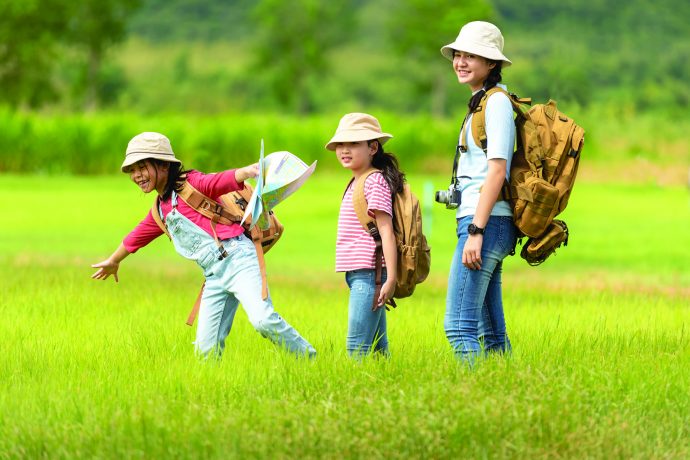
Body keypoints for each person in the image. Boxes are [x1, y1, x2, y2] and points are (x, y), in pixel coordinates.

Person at [91, 132, 316, 359]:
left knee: (263, 320)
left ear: (163, 166)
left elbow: (217, 181)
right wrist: (114, 260)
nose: (137, 175)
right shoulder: (161, 209)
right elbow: (136, 237)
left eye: (142, 167)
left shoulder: (191, 184)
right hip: (214, 276)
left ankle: (309, 358)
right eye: (132, 170)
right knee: (205, 352)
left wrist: (246, 172)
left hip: (238, 259)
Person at [440, 21, 518, 363]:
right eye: (458, 54)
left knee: (459, 327)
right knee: (491, 333)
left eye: (472, 55)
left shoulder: (497, 103)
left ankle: (472, 400)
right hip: (481, 221)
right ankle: (506, 394)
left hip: (486, 223)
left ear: (492, 64)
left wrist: (476, 231)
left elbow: (497, 170)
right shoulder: (479, 103)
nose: (461, 61)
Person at [325, 113, 405, 358]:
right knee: (379, 350)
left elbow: (386, 231)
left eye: (353, 144)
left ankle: (353, 393)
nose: (344, 150)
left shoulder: (373, 181)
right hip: (360, 274)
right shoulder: (356, 182)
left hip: (371, 274)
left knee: (356, 348)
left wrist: (391, 277)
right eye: (341, 144)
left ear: (372, 147)